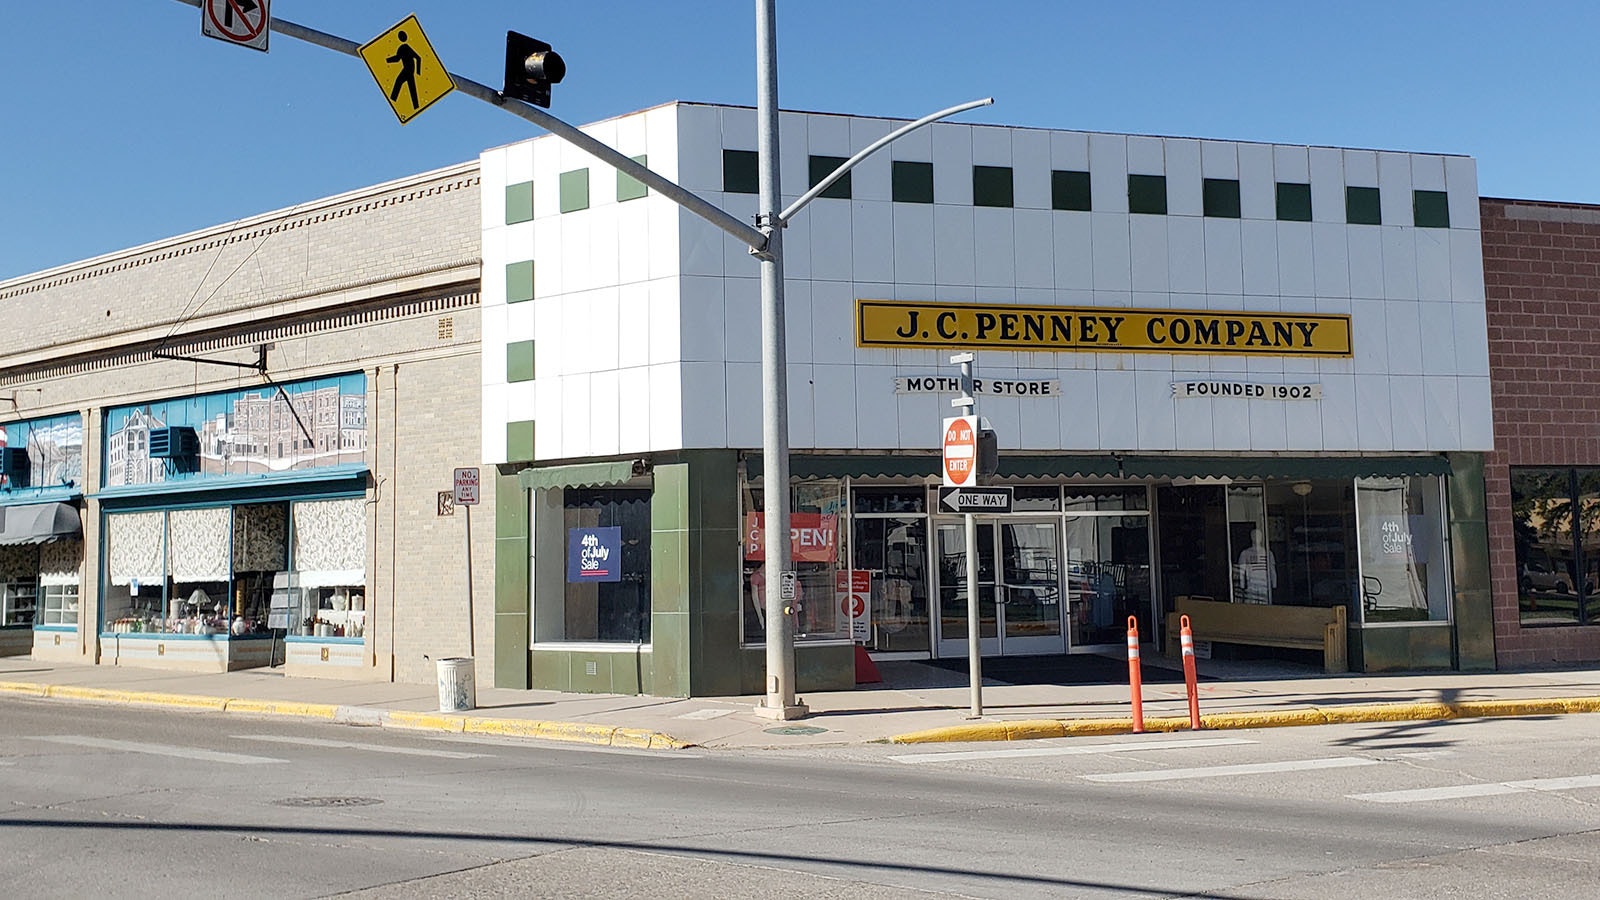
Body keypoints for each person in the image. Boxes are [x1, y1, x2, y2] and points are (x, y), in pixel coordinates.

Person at [1237, 528, 1276, 604]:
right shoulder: (1245, 553)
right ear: (1251, 537)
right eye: (1254, 536)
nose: (1256, 537)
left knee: (1265, 605)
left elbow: (1272, 570)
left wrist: (1274, 583)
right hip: (1251, 585)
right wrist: (1242, 585)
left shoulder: (1268, 553)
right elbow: (1241, 571)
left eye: (1258, 536)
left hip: (1264, 585)